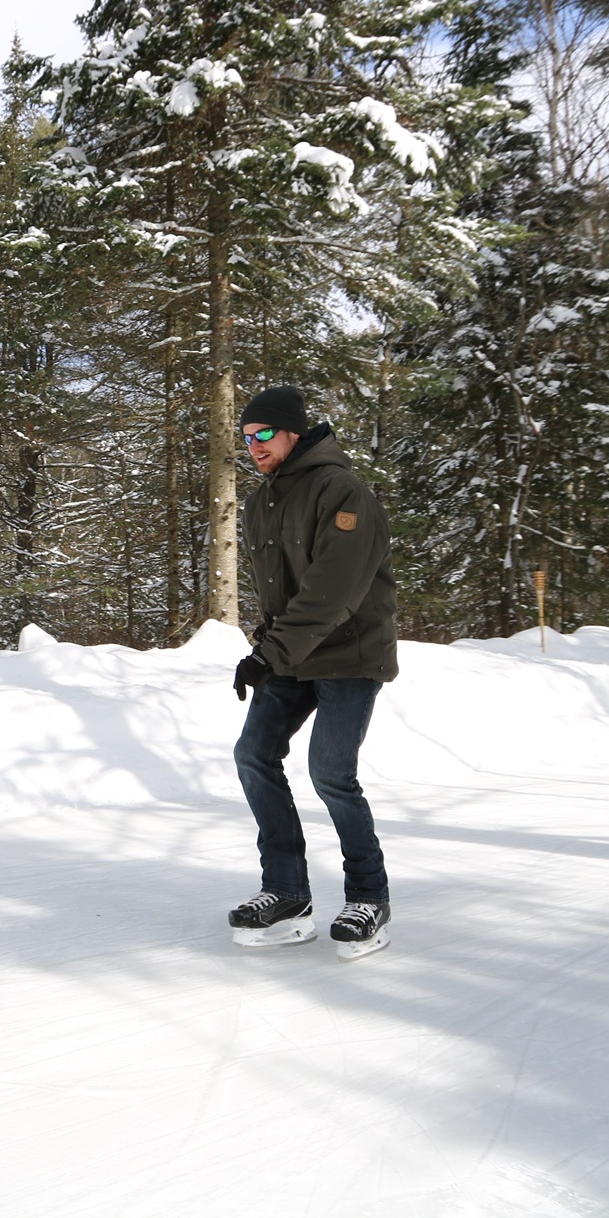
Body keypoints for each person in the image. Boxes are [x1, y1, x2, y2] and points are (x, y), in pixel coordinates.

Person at [224, 386, 398, 959]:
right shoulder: (261, 503)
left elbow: (333, 592)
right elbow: (279, 592)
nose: (253, 445)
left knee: (330, 773)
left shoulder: (343, 492)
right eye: (246, 437)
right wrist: (267, 648)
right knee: (253, 754)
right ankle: (288, 894)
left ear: (293, 432)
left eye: (263, 434)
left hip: (351, 653)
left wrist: (270, 653)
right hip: (294, 655)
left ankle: (369, 898)